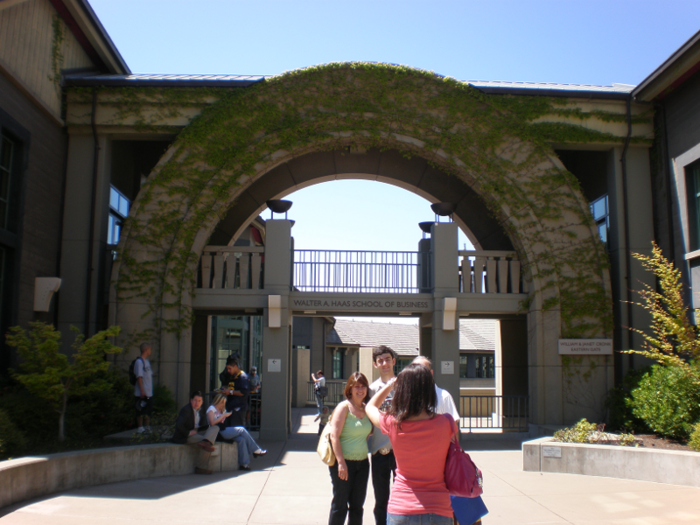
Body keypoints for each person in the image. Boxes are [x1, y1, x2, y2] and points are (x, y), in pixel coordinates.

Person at [365, 364, 454, 525]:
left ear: (402, 390)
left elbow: (370, 407)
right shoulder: (446, 422)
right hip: (439, 507)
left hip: (402, 507)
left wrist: (390, 385)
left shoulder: (393, 423)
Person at [412, 356, 487, 525]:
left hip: (446, 463)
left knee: (461, 507)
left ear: (430, 373)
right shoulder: (409, 400)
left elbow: (454, 431)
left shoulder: (443, 396)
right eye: (415, 370)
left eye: (423, 370)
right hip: (423, 467)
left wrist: (454, 458)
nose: (419, 375)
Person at [327, 372, 372, 525]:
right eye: (357, 387)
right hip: (343, 463)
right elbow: (334, 436)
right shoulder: (344, 407)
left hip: (363, 464)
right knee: (340, 505)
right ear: (350, 389)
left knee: (357, 507)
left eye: (363, 386)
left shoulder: (367, 410)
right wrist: (340, 462)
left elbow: (366, 435)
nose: (360, 390)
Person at [368, 345, 398, 525]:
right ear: (375, 364)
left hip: (401, 452)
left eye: (387, 359)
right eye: (380, 361)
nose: (384, 363)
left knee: (401, 499)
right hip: (378, 451)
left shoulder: (404, 385)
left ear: (393, 361)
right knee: (381, 501)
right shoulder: (371, 390)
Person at [206, 393, 267, 471]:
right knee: (241, 429)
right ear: (217, 401)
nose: (222, 404)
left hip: (223, 429)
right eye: (221, 402)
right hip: (216, 432)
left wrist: (225, 415)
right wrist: (223, 416)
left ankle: (244, 464)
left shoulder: (223, 410)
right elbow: (212, 423)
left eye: (224, 402)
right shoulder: (211, 409)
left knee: (242, 439)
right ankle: (255, 450)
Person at [172, 390, 220, 475]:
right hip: (186, 436)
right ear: (191, 400)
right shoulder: (186, 410)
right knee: (208, 442)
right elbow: (179, 425)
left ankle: (205, 442)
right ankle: (201, 467)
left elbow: (202, 425)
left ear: (202, 402)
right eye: (195, 400)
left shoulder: (201, 410)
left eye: (199, 401)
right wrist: (188, 433)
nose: (196, 403)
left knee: (215, 428)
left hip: (198, 432)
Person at [219, 357, 250, 427]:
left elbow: (244, 392)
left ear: (235, 367)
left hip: (239, 408)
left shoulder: (243, 377)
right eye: (227, 369)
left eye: (230, 368)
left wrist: (230, 392)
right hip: (231, 407)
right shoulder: (234, 377)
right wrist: (225, 389)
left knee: (237, 430)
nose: (228, 371)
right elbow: (233, 389)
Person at [134, 342, 153, 434]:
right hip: (141, 392)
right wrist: (142, 391)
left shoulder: (147, 362)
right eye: (149, 349)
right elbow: (139, 377)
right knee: (140, 409)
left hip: (148, 392)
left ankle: (147, 426)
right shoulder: (139, 362)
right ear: (146, 350)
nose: (150, 351)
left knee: (148, 410)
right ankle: (140, 427)